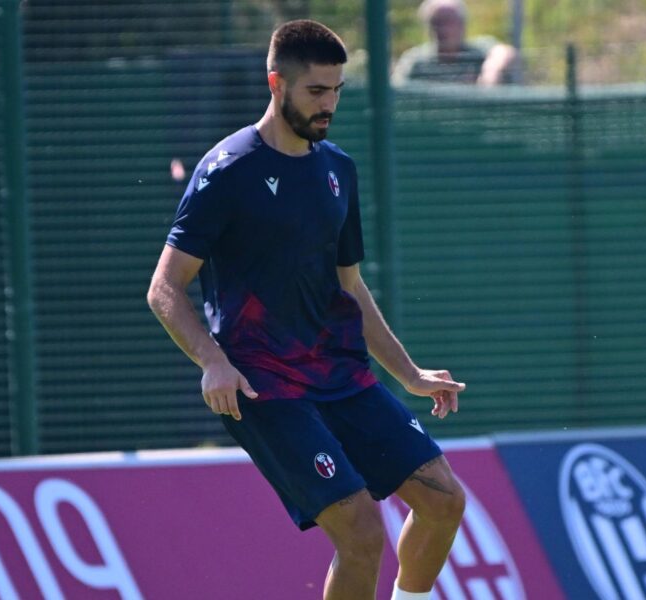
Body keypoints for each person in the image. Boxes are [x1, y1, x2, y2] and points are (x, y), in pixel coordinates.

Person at [147, 19, 467, 600]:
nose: (330, 104)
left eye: (338, 90)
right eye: (317, 91)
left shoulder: (337, 169)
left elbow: (351, 289)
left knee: (444, 499)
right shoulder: (226, 171)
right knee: (363, 533)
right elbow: (165, 287)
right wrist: (212, 362)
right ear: (277, 84)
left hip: (338, 373)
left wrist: (410, 375)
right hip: (262, 384)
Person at [393, 0, 521, 86]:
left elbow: (504, 52)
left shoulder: (477, 52)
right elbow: (397, 90)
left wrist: (492, 72)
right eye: (436, 22)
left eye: (448, 22)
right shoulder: (416, 61)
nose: (442, 29)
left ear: (462, 25)